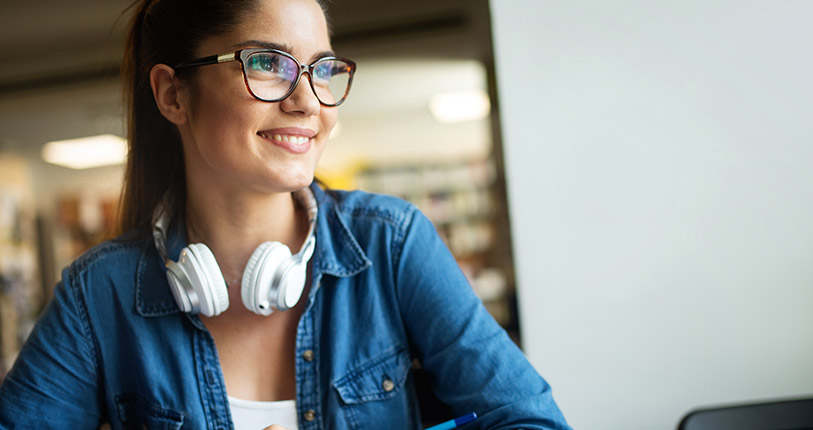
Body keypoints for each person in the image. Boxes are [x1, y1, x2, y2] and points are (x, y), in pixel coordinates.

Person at [0, 0, 571, 428]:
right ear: (173, 94)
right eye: (269, 64)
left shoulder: (390, 244)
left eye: (323, 70)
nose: (307, 101)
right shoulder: (98, 294)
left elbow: (534, 422)